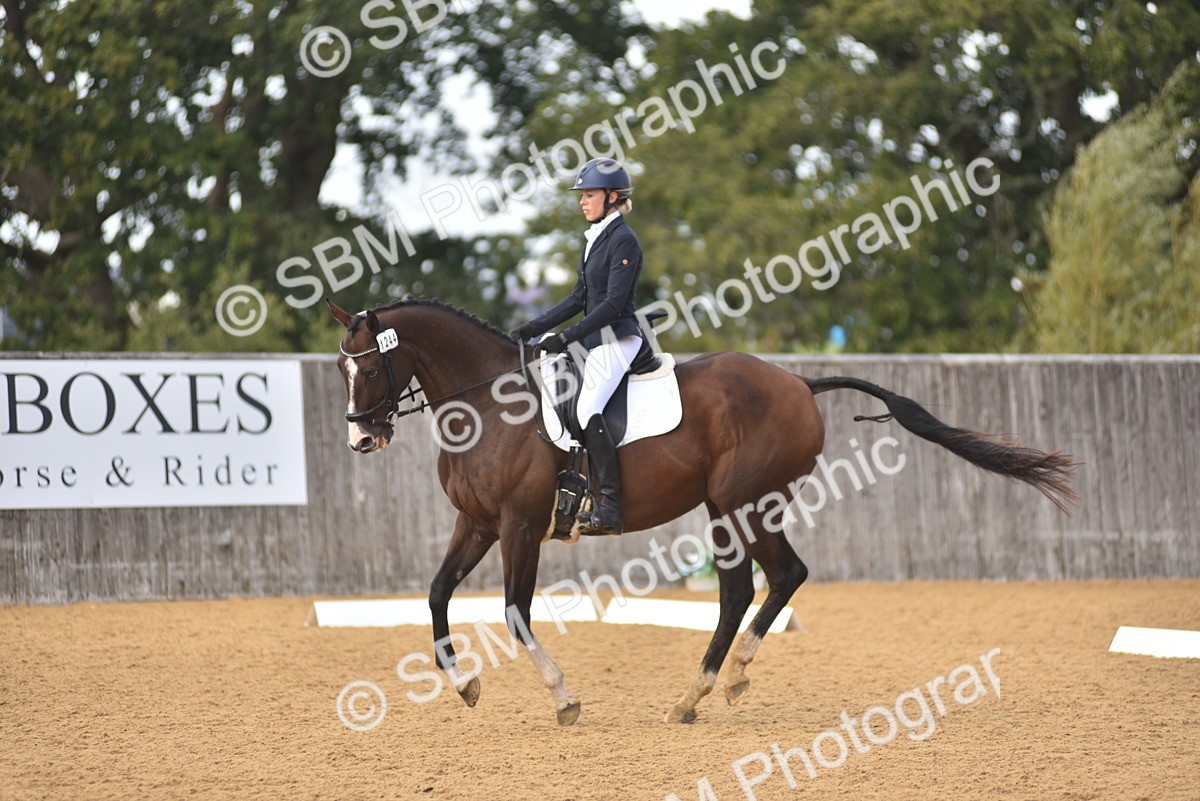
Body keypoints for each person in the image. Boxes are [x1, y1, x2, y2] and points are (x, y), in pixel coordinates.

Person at [511, 157, 644, 536]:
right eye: (581, 195)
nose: (582, 202)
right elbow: (577, 298)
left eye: (589, 195)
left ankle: (611, 507)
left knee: (587, 408)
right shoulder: (593, 239)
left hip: (620, 337)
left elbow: (612, 305)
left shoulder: (624, 240)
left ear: (612, 196)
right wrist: (531, 329)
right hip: (593, 338)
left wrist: (566, 338)